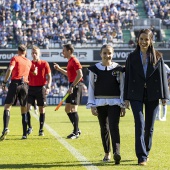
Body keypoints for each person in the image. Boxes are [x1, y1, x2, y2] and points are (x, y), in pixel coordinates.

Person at [124, 29, 169, 166]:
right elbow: (128, 78)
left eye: (146, 39)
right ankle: (141, 156)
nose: (143, 42)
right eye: (141, 39)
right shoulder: (131, 57)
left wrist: (164, 97)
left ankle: (146, 151)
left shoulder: (158, 56)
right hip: (135, 94)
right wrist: (126, 98)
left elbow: (162, 77)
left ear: (151, 41)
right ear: (138, 39)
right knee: (139, 123)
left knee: (149, 126)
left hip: (153, 94)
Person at [86, 44, 126, 164]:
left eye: (109, 53)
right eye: (104, 53)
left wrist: (122, 104)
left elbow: (122, 87)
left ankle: (117, 152)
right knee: (104, 128)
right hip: (99, 102)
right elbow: (91, 87)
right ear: (100, 54)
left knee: (114, 127)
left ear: (112, 54)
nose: (107, 55)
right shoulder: (94, 69)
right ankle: (107, 153)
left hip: (115, 102)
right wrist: (92, 104)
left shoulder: (118, 69)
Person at [0, 44, 32, 140]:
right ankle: (24, 134)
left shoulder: (15, 58)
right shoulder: (29, 61)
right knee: (24, 110)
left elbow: (10, 69)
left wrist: (4, 82)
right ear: (25, 52)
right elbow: (33, 73)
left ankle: (5, 128)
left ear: (18, 51)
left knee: (7, 107)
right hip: (25, 85)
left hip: (15, 83)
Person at [54, 43, 83, 139]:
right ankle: (77, 129)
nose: (63, 52)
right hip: (72, 85)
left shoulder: (74, 60)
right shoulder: (70, 61)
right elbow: (69, 74)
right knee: (67, 109)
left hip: (76, 86)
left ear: (69, 51)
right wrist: (59, 69)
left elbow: (80, 74)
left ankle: (75, 132)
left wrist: (72, 86)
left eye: (64, 51)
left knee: (73, 109)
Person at [27, 46, 52, 137]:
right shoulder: (29, 64)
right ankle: (29, 127)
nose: (34, 55)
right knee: (27, 108)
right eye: (33, 53)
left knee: (42, 109)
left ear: (39, 54)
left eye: (36, 53)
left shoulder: (44, 63)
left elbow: (49, 76)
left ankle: (41, 129)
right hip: (30, 88)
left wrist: (48, 87)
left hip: (41, 88)